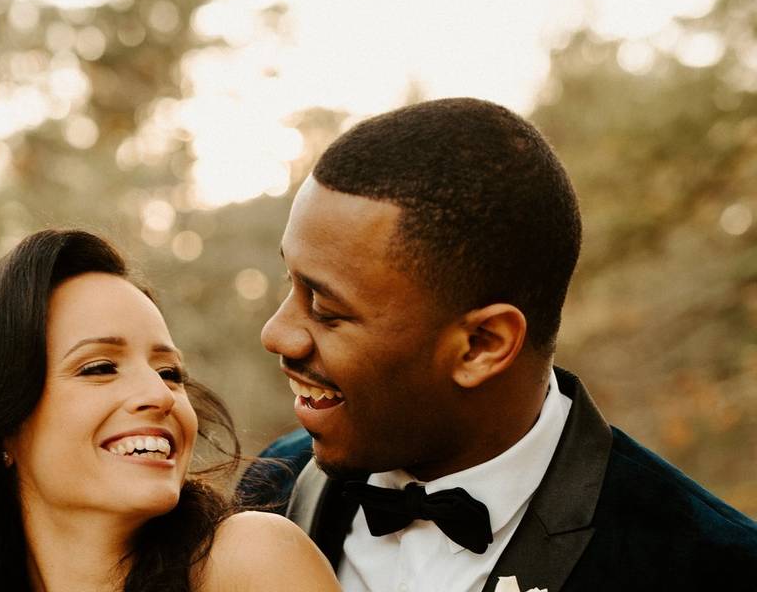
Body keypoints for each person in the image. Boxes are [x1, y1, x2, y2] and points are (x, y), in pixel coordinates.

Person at [238, 98, 757, 591]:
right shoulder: (269, 490)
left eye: (326, 308)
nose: (276, 333)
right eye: (291, 282)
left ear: (481, 345)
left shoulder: (711, 567)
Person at [0, 229, 340, 592]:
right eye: (100, 367)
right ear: (0, 422)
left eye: (170, 373)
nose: (160, 396)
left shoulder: (249, 560)